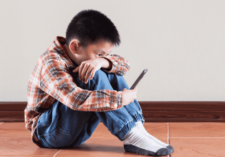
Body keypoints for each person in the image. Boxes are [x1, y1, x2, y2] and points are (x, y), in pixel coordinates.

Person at [25, 9, 174, 156]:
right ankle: (132, 136)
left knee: (107, 69)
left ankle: (137, 130)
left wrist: (101, 60)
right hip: (49, 133)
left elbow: (125, 65)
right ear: (74, 47)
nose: (100, 57)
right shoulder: (50, 62)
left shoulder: (85, 56)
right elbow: (74, 99)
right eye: (99, 53)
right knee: (93, 74)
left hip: (76, 131)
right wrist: (120, 99)